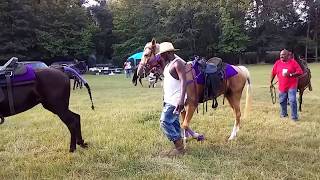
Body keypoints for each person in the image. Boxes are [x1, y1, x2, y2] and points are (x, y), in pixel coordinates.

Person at [158, 42, 187, 157]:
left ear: (169, 53)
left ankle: (179, 149)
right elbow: (170, 79)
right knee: (174, 122)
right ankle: (181, 147)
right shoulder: (168, 64)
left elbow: (184, 81)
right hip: (169, 99)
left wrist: (181, 100)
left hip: (175, 100)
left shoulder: (177, 63)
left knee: (164, 122)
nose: (161, 56)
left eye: (162, 54)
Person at [270, 49, 303, 121]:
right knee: (282, 101)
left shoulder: (293, 62)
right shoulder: (277, 63)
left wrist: (290, 74)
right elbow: (273, 73)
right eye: (281, 55)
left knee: (292, 100)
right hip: (282, 86)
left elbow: (300, 72)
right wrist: (271, 82)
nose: (281, 56)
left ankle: (294, 117)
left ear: (288, 56)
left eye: (283, 55)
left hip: (292, 85)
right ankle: (284, 114)